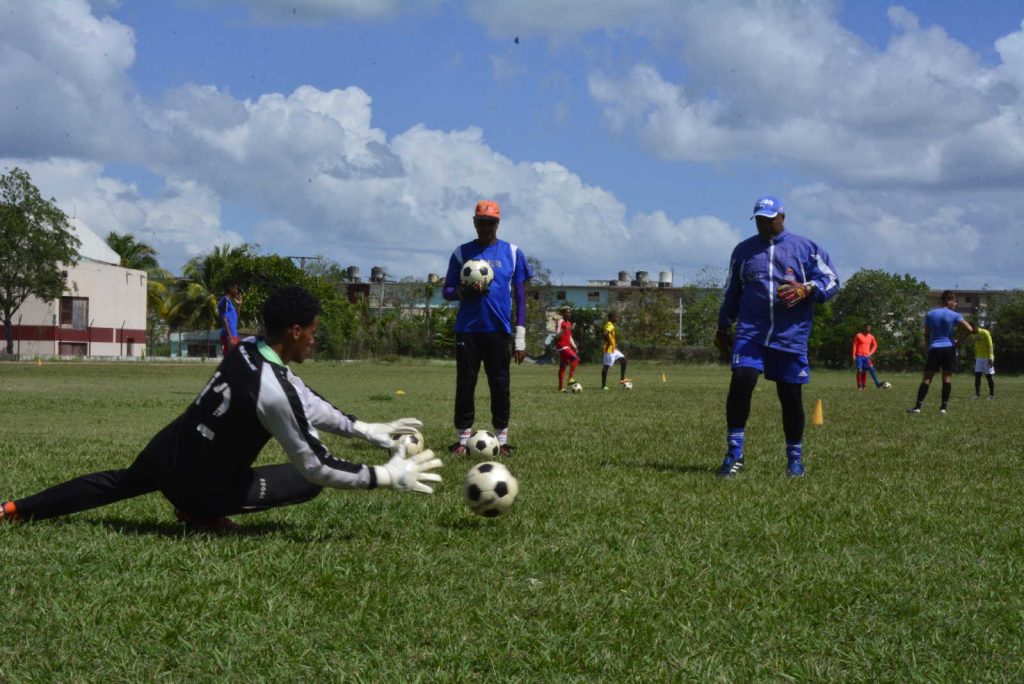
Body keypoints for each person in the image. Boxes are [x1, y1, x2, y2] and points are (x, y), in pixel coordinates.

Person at [0, 285, 443, 528]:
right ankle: (199, 511)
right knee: (307, 485)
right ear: (293, 331)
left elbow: (303, 398)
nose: (315, 336)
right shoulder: (270, 387)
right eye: (312, 330)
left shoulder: (248, 349)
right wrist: (387, 476)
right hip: (198, 484)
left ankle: (14, 509)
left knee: (114, 484)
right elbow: (315, 465)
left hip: (165, 453)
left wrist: (365, 429)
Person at [714, 195, 840, 478]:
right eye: (760, 220)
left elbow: (831, 281)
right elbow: (732, 290)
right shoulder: (743, 251)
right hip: (751, 331)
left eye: (770, 219)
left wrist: (807, 289)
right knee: (742, 380)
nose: (765, 224)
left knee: (790, 396)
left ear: (782, 217)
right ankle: (735, 453)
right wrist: (723, 326)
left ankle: (794, 459)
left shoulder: (806, 248)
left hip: (790, 335)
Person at [442, 200, 533, 455]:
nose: (486, 227)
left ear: (497, 223)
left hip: (498, 331)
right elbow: (447, 291)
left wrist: (520, 338)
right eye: (481, 222)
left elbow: (521, 297)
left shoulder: (513, 253)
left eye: (490, 223)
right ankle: (462, 439)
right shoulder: (461, 254)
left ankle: (502, 441)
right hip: (468, 331)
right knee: (465, 383)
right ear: (474, 222)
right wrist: (462, 291)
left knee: (500, 384)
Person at [907, 290, 974, 415]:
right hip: (949, 348)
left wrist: (928, 348)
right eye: (955, 302)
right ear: (949, 301)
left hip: (934, 348)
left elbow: (927, 334)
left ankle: (917, 407)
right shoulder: (954, 315)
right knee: (947, 378)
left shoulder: (930, 314)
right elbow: (969, 329)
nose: (955, 304)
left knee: (927, 378)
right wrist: (958, 342)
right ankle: (943, 408)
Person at [852, 323, 891, 390]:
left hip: (867, 357)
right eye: (867, 328)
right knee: (860, 370)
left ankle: (877, 384)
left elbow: (875, 345)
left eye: (870, 328)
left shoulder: (871, 337)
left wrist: (870, 353)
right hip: (859, 356)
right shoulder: (858, 335)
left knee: (871, 369)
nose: (868, 329)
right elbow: (855, 345)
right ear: (864, 328)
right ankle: (859, 386)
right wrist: (853, 355)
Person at [601, 310, 629, 390]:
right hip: (609, 349)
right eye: (615, 317)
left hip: (613, 349)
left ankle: (622, 379)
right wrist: (610, 343)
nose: (616, 318)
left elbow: (607, 334)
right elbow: (605, 333)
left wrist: (613, 344)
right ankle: (603, 386)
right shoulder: (610, 325)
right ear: (611, 318)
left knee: (624, 360)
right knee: (606, 367)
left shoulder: (609, 324)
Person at [555, 306, 580, 392]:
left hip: (567, 346)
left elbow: (569, 336)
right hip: (562, 346)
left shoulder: (568, 323)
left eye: (569, 312)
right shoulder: (560, 322)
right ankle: (570, 378)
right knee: (576, 358)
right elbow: (557, 335)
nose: (569, 314)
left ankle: (561, 388)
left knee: (563, 367)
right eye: (567, 312)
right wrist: (563, 330)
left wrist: (574, 346)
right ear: (562, 313)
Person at [218, 283, 243, 357]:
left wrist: (239, 305)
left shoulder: (229, 302)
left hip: (232, 334)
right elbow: (224, 318)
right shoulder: (225, 300)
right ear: (231, 289)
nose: (237, 292)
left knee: (233, 360)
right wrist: (230, 336)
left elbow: (236, 319)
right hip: (229, 335)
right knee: (232, 360)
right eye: (236, 289)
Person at [972, 321, 995, 399]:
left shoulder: (985, 332)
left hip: (987, 357)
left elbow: (990, 345)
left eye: (971, 329)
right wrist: (975, 357)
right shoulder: (973, 334)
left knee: (989, 377)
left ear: (975, 327)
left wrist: (991, 358)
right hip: (979, 358)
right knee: (977, 376)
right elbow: (976, 346)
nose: (971, 331)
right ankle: (977, 395)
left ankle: (991, 395)